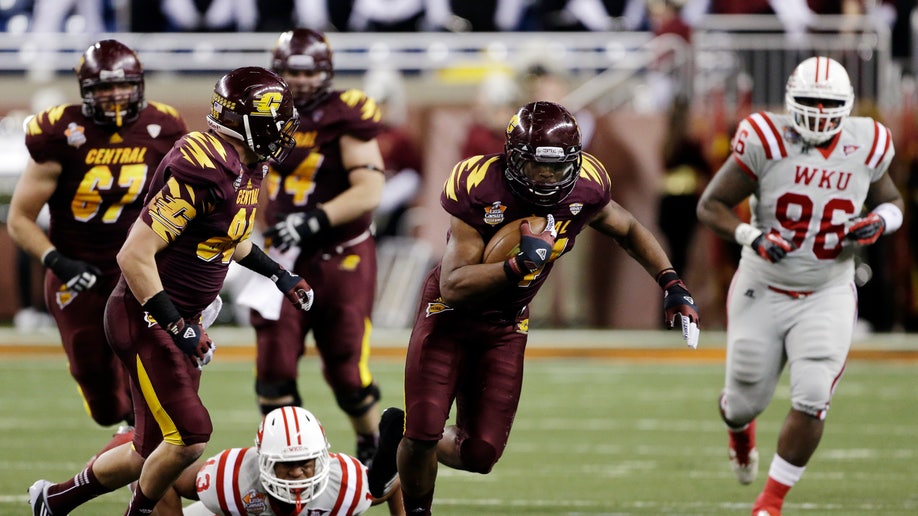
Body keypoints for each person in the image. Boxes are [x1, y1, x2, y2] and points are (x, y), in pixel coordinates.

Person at [28, 65, 314, 516]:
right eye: (272, 123)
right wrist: (178, 325)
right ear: (243, 122)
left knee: (150, 448)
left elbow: (233, 238)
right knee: (190, 436)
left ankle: (54, 499)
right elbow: (134, 256)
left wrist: (280, 275)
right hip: (146, 317)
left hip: (181, 318)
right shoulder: (204, 166)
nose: (281, 133)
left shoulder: (247, 164)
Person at [395, 100, 701, 515]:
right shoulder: (480, 184)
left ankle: (403, 435)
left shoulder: (586, 186)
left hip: (505, 325)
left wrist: (672, 282)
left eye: (557, 167)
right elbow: (453, 286)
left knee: (480, 455)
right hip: (448, 317)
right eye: (537, 166)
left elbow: (627, 228)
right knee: (425, 432)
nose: (548, 176)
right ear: (513, 158)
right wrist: (518, 265)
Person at [696, 56, 904, 516]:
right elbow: (710, 206)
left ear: (846, 105)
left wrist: (879, 222)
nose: (817, 109)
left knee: (813, 397)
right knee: (742, 403)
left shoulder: (867, 143)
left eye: (827, 102)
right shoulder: (766, 139)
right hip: (763, 285)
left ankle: (770, 504)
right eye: (809, 100)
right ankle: (738, 430)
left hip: (828, 287)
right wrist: (752, 235)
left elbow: (892, 201)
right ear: (791, 101)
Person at [7, 39, 187, 451]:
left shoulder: (165, 125)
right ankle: (122, 423)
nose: (114, 96)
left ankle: (146, 443)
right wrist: (58, 261)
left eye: (123, 85)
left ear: (139, 84)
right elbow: (19, 218)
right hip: (78, 270)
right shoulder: (60, 132)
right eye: (103, 88)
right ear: (85, 91)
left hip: (138, 267)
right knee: (101, 396)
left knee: (149, 362)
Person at [248, 28, 387, 466]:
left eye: (310, 72)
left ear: (326, 72)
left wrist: (313, 219)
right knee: (272, 368)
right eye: (292, 71)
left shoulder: (345, 113)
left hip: (339, 252)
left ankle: (371, 444)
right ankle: (288, 458)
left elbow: (370, 189)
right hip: (283, 254)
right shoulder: (261, 112)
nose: (302, 81)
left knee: (346, 367)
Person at [150, 406, 406, 515]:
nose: (296, 473)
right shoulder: (229, 480)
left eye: (305, 462)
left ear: (322, 457)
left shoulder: (346, 487)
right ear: (263, 460)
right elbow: (162, 478)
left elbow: (391, 485)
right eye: (286, 464)